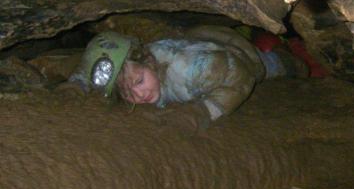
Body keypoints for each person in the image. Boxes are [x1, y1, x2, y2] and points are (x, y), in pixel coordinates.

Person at [66, 25, 308, 129]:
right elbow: (95, 69)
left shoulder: (190, 69)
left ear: (147, 60)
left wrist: (202, 111)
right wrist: (77, 85)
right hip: (195, 44)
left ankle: (286, 55)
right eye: (128, 93)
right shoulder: (134, 69)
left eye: (139, 82)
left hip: (237, 57)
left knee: (270, 67)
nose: (139, 94)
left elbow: (240, 79)